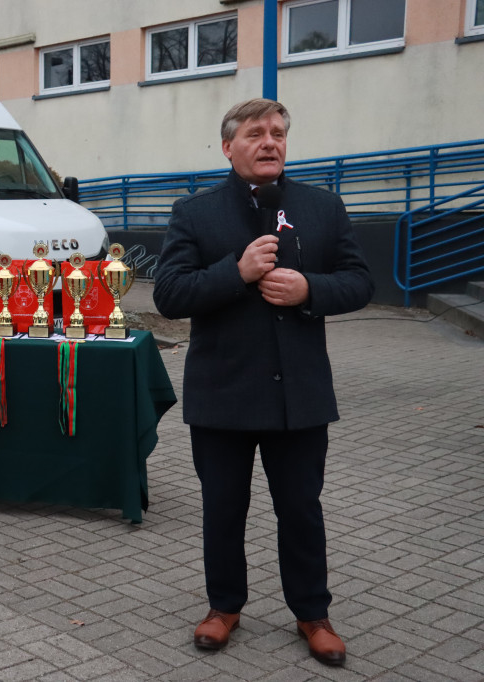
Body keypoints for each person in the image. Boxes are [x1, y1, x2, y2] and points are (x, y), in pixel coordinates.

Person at [153, 98, 374, 667]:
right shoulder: (194, 212)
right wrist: (236, 272)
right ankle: (223, 607)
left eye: (278, 133)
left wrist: (310, 291)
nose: (270, 142)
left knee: (301, 509)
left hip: (297, 395)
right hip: (223, 394)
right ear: (229, 147)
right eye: (255, 133)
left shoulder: (322, 207)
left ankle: (312, 613)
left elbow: (358, 282)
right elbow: (170, 295)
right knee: (223, 509)